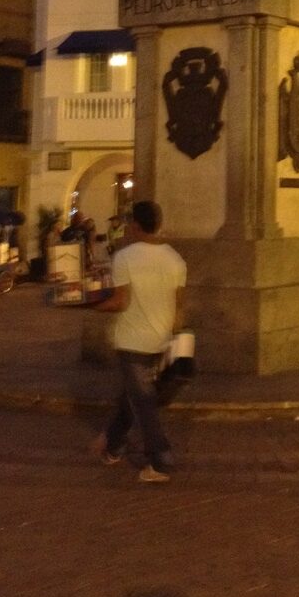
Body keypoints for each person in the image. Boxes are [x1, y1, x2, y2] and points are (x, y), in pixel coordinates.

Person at [92, 201, 187, 483]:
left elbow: (121, 301)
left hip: (132, 341)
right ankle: (112, 446)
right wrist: (175, 337)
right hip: (160, 339)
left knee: (143, 402)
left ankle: (161, 460)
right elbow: (179, 306)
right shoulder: (175, 260)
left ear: (134, 226)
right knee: (133, 397)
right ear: (158, 223)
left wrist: (93, 307)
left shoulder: (125, 257)